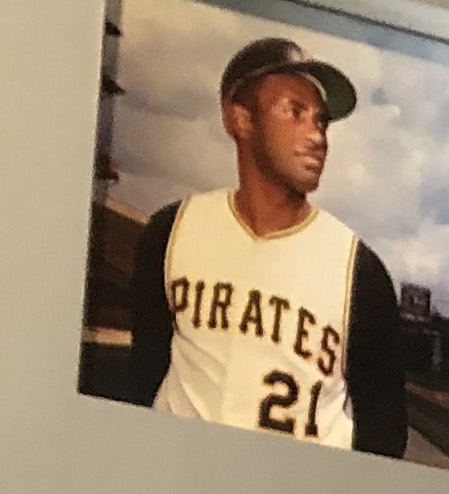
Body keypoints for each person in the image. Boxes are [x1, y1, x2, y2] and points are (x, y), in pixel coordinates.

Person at [81, 37, 414, 459]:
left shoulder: (359, 271)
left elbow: (384, 439)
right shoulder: (173, 230)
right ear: (239, 119)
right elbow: (145, 377)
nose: (317, 135)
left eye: (322, 121)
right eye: (295, 112)